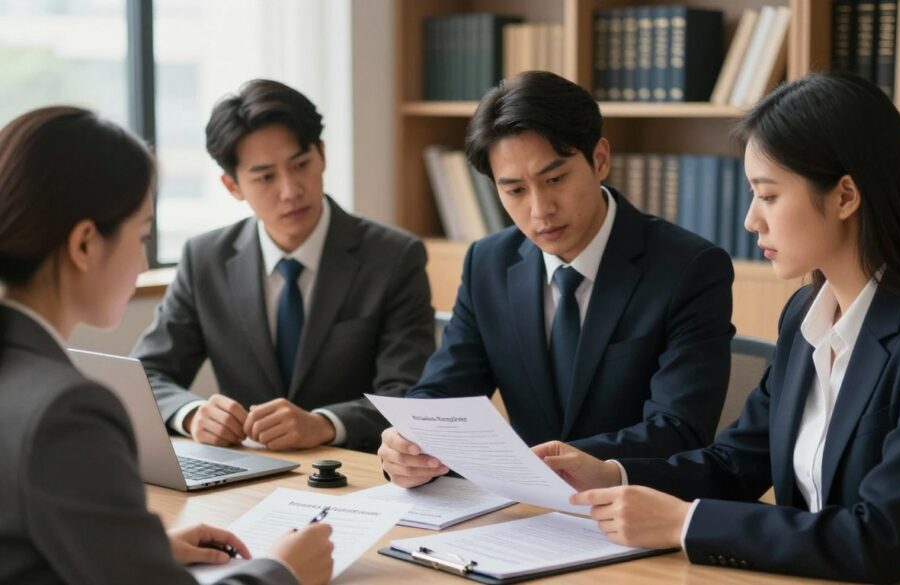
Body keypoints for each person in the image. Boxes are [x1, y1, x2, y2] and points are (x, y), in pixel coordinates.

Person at [531, 72, 900, 584]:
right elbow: (735, 464)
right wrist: (613, 474)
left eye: (767, 196)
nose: (750, 220)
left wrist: (684, 522)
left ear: (845, 195)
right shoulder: (805, 315)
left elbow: (880, 538)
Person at [0, 106, 333, 584]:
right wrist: (281, 571)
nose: (141, 264)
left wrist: (137, 548)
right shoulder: (65, 412)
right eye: (141, 236)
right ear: (85, 245)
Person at [379, 71, 735, 488]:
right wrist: (408, 440)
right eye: (514, 191)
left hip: (633, 505)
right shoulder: (488, 263)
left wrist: (566, 465)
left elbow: (680, 428)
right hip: (523, 510)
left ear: (599, 159)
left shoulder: (689, 268)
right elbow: (442, 392)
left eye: (555, 179)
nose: (540, 210)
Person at [132, 79, 435, 453]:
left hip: (354, 473)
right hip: (248, 475)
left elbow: (408, 393)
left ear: (321, 155)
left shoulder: (393, 256)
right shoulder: (205, 259)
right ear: (232, 186)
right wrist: (193, 414)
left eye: (301, 164)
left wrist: (325, 424)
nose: (291, 190)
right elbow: (145, 374)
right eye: (265, 177)